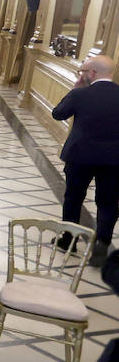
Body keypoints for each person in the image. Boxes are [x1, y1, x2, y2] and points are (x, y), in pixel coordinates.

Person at [54, 56, 119, 264]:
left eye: (81, 71)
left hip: (80, 156)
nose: (80, 75)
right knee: (108, 202)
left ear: (92, 73)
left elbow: (58, 113)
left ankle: (68, 239)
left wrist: (74, 89)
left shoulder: (81, 94)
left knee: (73, 197)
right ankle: (102, 245)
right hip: (114, 159)